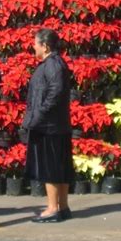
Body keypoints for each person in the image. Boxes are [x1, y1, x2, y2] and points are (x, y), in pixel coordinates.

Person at [22, 27, 74, 223]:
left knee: (50, 167)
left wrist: (40, 114)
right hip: (54, 125)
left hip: (49, 126)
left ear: (44, 46)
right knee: (59, 166)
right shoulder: (54, 64)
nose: (33, 47)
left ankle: (53, 208)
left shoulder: (53, 65)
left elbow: (55, 92)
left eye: (35, 43)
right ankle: (62, 206)